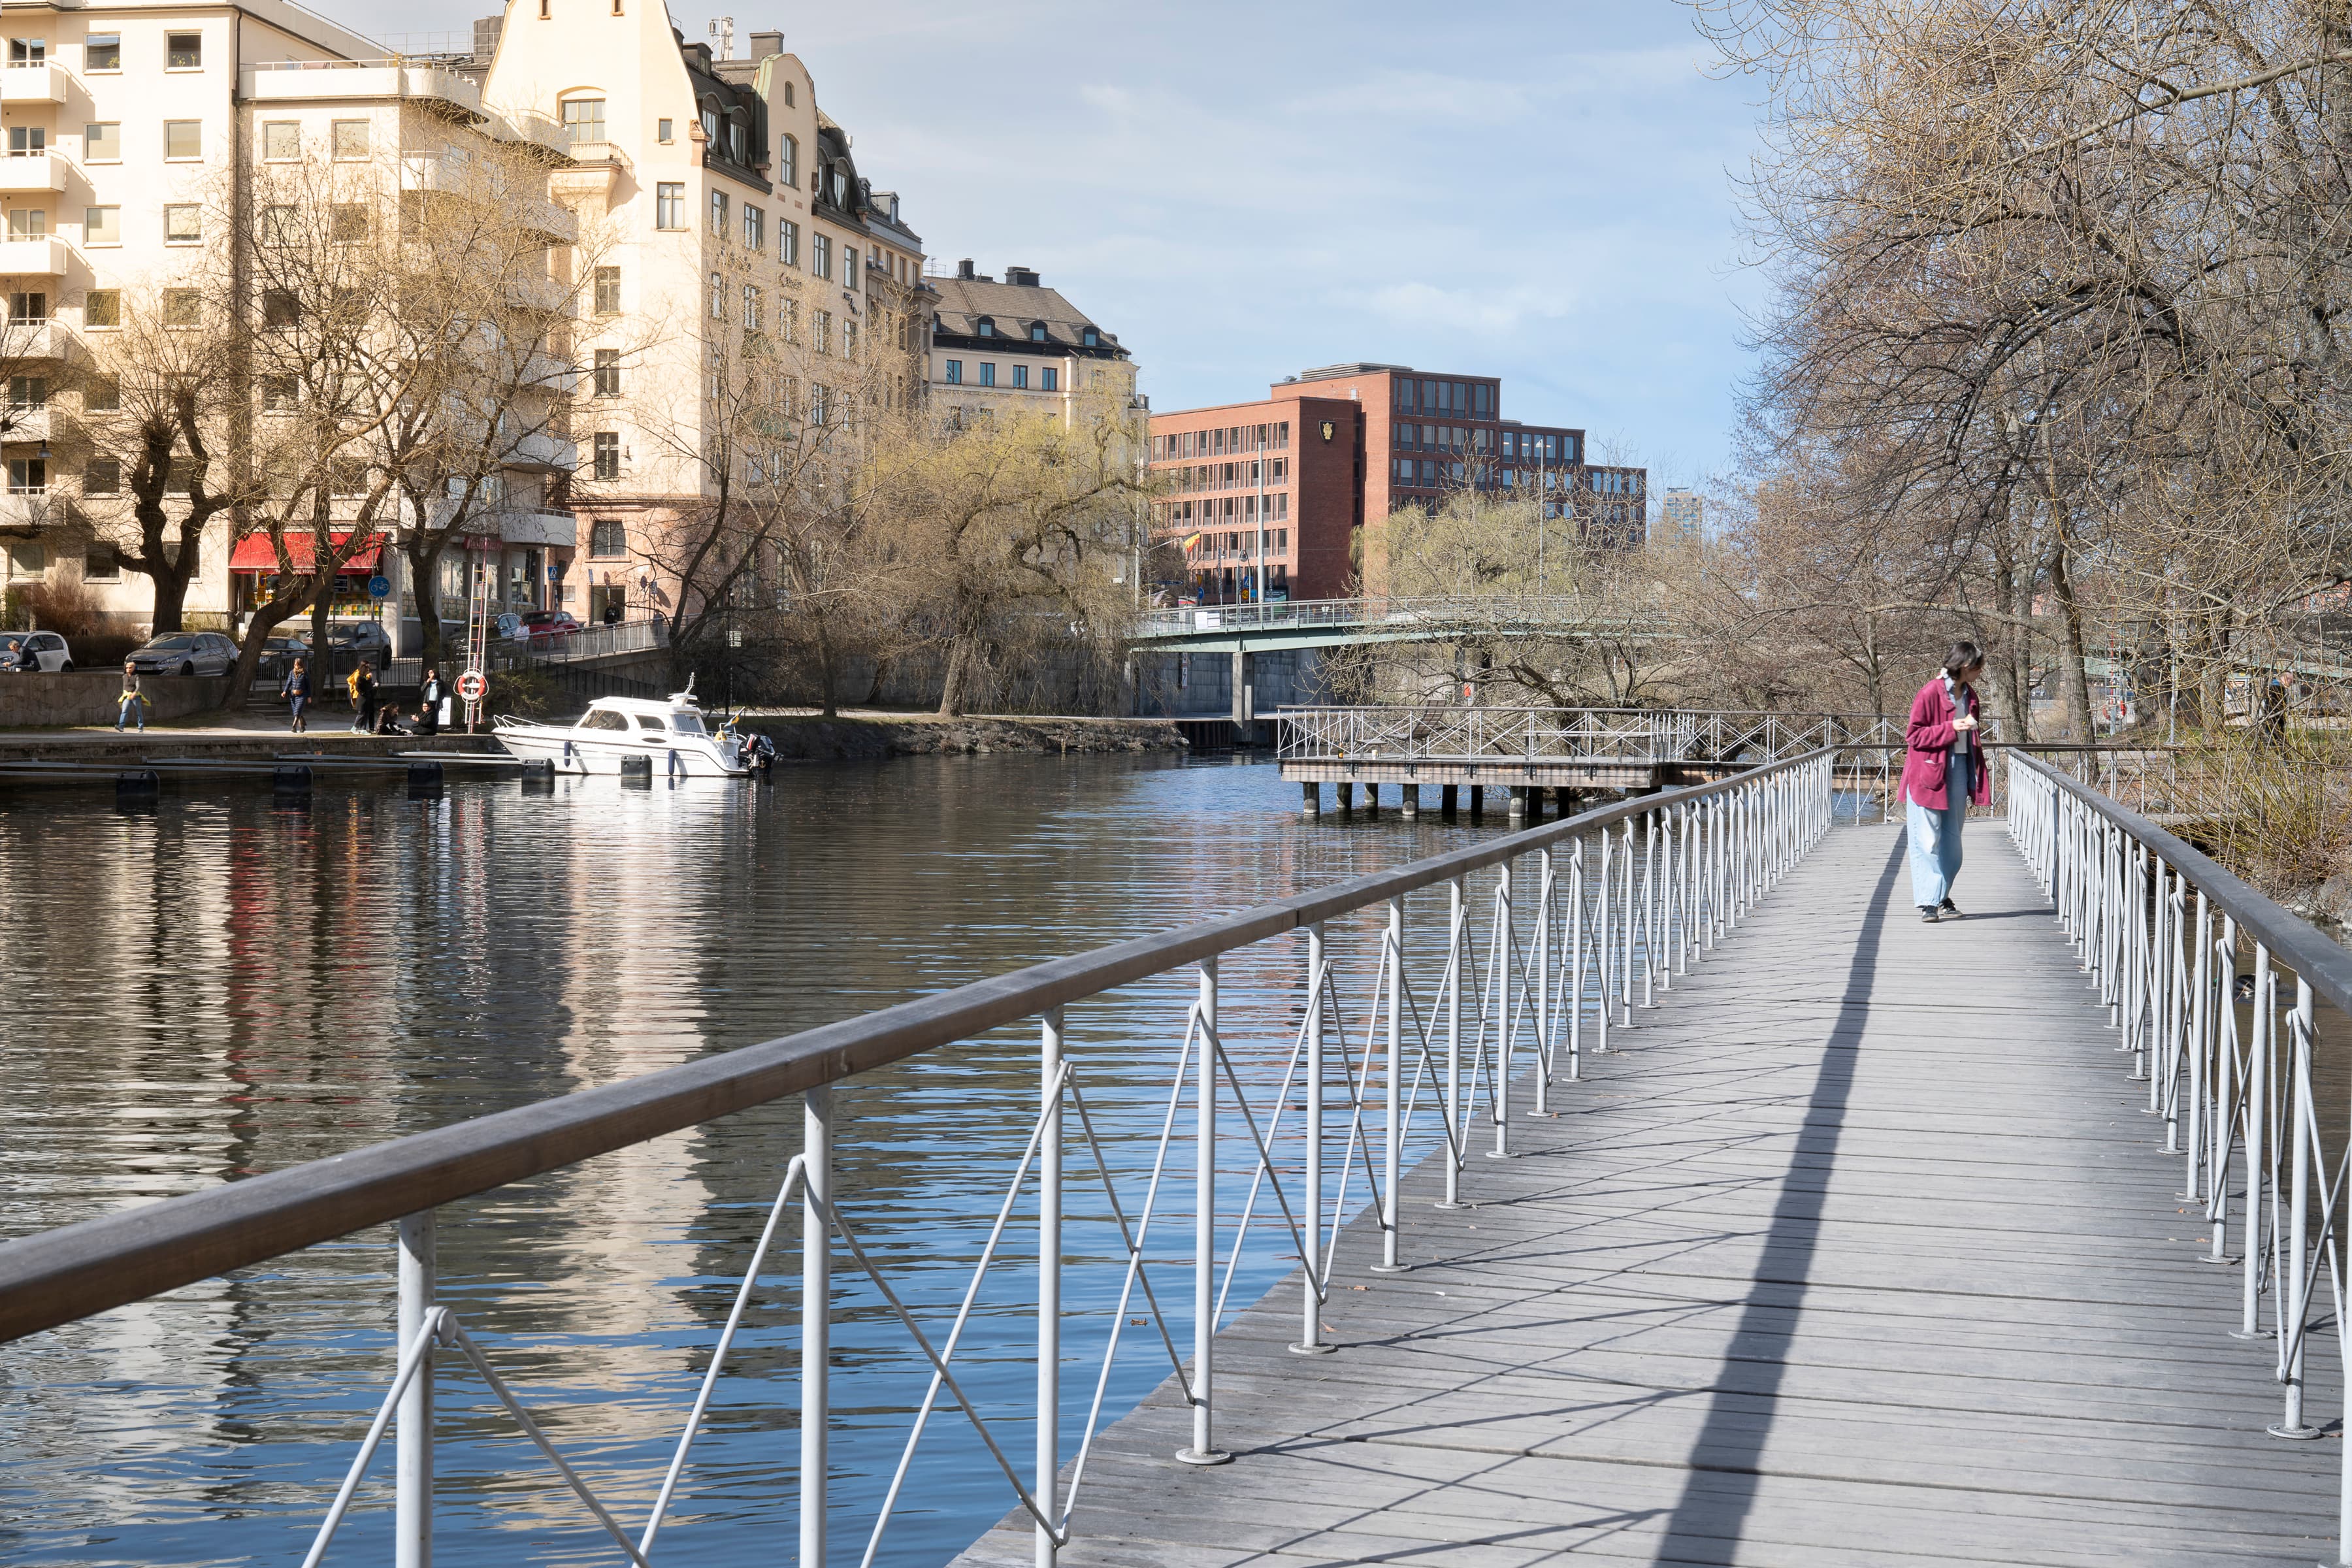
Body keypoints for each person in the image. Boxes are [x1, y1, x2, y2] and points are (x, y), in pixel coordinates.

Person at [1902, 640, 1992, 922]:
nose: (1980, 673)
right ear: (1965, 667)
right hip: (1928, 774)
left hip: (1960, 770)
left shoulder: (1970, 695)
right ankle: (1930, 902)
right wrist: (1951, 728)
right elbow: (1914, 736)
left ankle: (1939, 894)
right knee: (1928, 841)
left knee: (1953, 845)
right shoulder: (1930, 692)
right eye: (1978, 669)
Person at [115, 661, 149, 732]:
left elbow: (138, 686)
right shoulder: (124, 676)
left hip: (135, 696)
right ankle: (121, 727)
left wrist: (135, 693)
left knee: (139, 712)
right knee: (124, 711)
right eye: (127, 668)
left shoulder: (137, 676)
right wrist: (124, 695)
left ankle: (140, 727)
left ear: (134, 668)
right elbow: (124, 687)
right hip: (127, 696)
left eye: (130, 667)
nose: (128, 669)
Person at [282, 657, 312, 734]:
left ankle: (293, 727)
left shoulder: (305, 673)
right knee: (297, 712)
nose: (296, 666)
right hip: (293, 696)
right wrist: (285, 691)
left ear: (301, 665)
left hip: (302, 695)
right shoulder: (292, 673)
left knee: (298, 711)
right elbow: (289, 683)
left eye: (298, 665)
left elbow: (308, 686)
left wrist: (309, 696)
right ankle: (302, 727)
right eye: (295, 665)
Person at [348, 662, 379, 733]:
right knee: (361, 714)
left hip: (367, 698)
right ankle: (354, 727)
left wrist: (373, 684)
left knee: (366, 714)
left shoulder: (366, 678)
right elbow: (358, 687)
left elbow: (369, 686)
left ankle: (363, 729)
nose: (368, 672)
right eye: (367, 671)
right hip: (362, 698)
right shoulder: (360, 678)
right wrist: (363, 693)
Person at [417, 667, 442, 736]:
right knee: (427, 715)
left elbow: (444, 692)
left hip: (436, 702)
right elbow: (422, 689)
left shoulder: (439, 682)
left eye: (431, 672)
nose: (430, 674)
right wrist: (427, 682)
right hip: (428, 702)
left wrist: (440, 699)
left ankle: (434, 730)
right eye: (429, 673)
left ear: (435, 673)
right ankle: (426, 729)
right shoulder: (427, 681)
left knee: (435, 716)